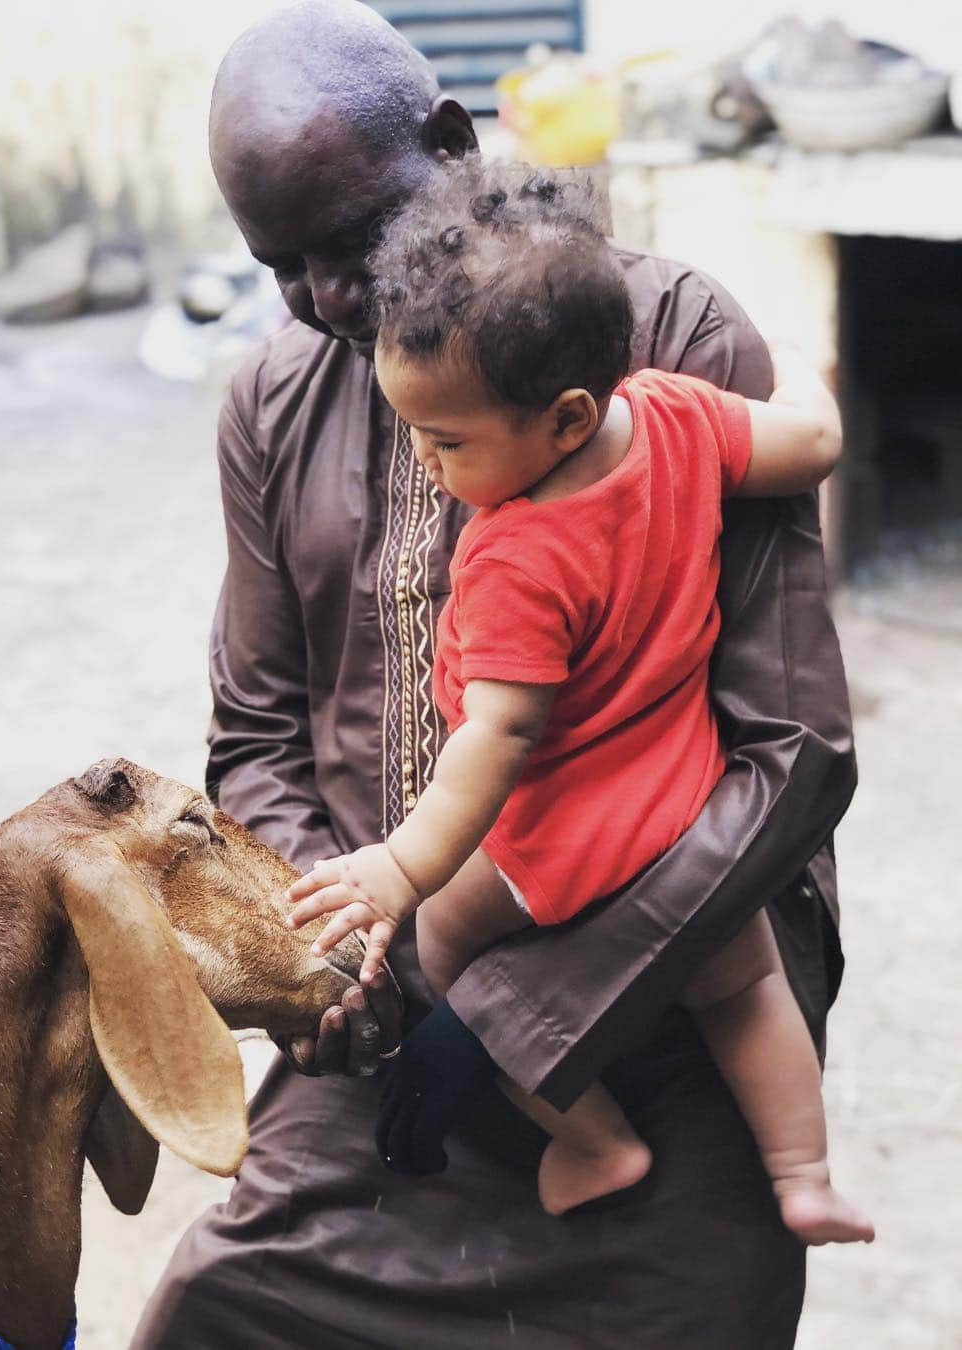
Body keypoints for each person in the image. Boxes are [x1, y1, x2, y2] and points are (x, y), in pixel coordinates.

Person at [131, 3, 856, 1346]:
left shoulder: (669, 339)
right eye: (284, 268)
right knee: (213, 1309)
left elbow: (794, 748)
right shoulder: (275, 398)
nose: (329, 299)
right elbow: (259, 729)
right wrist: (331, 955)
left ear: (454, 144)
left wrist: (517, 1003)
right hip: (397, 1011)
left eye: (350, 243)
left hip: (669, 1004)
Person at [284, 159, 872, 1244]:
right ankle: (804, 1172)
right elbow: (816, 445)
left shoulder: (515, 556)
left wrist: (409, 869)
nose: (424, 457)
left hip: (562, 833)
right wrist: (797, 367)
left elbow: (499, 733)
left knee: (451, 952)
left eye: (445, 440)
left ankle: (594, 1140)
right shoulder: (678, 418)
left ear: (561, 418)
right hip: (689, 806)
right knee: (741, 988)